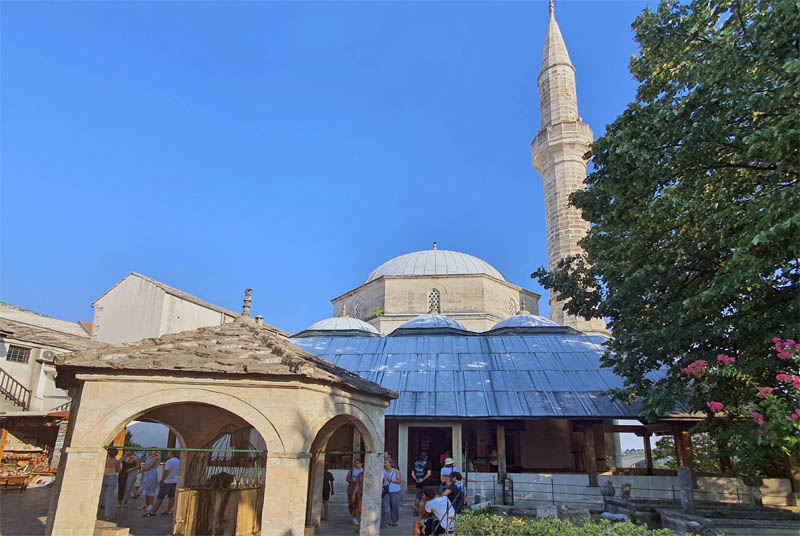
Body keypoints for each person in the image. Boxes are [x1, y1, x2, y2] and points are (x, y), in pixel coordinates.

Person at [144, 451, 179, 518]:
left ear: (171, 454)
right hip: (175, 481)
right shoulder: (178, 461)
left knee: (160, 497)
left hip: (167, 481)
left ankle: (153, 512)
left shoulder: (169, 462)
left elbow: (166, 471)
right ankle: (168, 511)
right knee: (171, 497)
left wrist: (162, 480)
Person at [100, 448, 121, 521]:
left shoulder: (104, 460)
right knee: (109, 497)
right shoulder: (116, 461)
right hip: (112, 477)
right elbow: (118, 470)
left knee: (100, 495)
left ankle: (96, 512)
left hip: (104, 476)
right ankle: (108, 514)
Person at [381, 459, 402, 527]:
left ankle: (394, 521)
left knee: (394, 506)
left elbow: (399, 481)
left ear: (390, 464)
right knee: (385, 505)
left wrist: (392, 480)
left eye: (385, 463)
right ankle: (385, 522)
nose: (384, 464)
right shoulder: (382, 471)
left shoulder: (395, 471)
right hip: (386, 490)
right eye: (384, 463)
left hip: (395, 490)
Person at [411, 451, 432, 516]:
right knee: (427, 497)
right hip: (426, 482)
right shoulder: (428, 463)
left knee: (418, 497)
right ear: (426, 457)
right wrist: (423, 479)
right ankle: (427, 512)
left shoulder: (416, 462)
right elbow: (429, 474)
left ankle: (415, 512)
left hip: (418, 482)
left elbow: (412, 473)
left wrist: (416, 479)